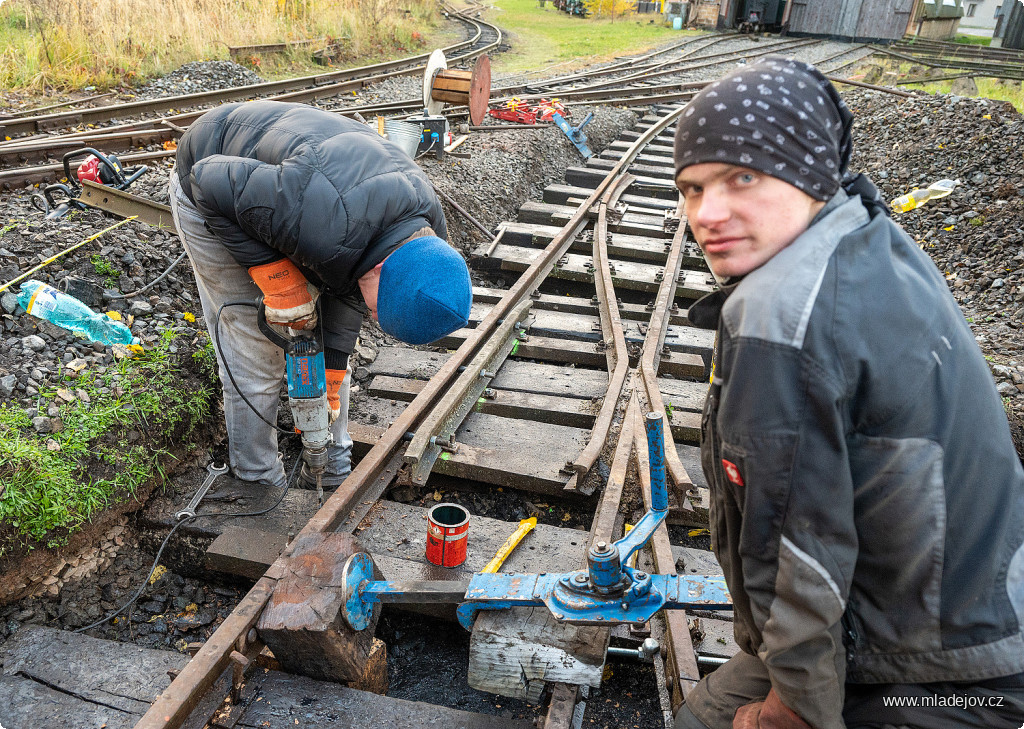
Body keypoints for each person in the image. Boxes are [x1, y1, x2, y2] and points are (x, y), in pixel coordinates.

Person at [672, 57, 1024, 729]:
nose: (706, 214)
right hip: (978, 612)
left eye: (743, 177)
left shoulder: (780, 315)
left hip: (945, 673)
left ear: (809, 174)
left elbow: (794, 550)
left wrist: (792, 710)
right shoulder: (866, 232)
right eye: (691, 188)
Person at [169, 100, 471, 490]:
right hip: (214, 185)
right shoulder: (314, 214)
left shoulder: (425, 243)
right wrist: (277, 279)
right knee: (254, 348)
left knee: (326, 356)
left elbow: (349, 290)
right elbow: (207, 180)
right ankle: (257, 478)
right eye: (378, 313)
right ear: (381, 268)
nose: (372, 317)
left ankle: (332, 463)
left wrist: (331, 370)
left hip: (301, 196)